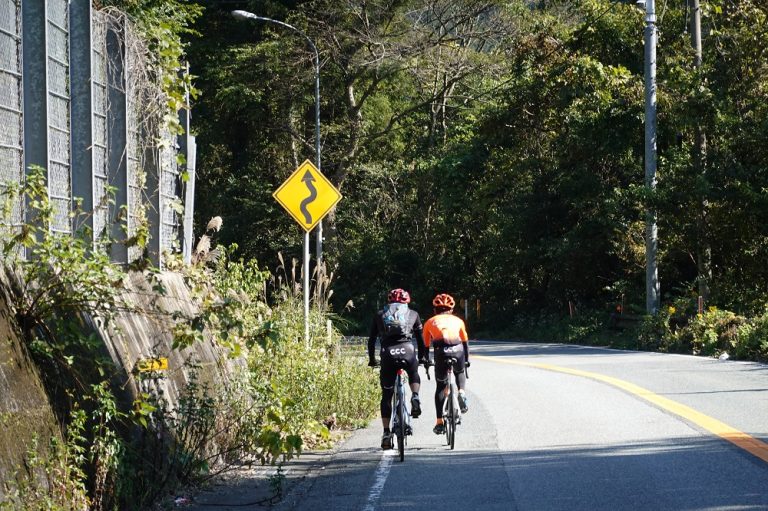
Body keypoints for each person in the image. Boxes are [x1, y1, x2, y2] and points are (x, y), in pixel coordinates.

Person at [368, 288, 427, 450]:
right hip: (407, 350)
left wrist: (372, 360)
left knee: (386, 396)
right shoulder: (413, 314)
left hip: (388, 354)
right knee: (413, 372)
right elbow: (421, 341)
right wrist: (422, 357)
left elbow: (372, 340)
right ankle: (415, 396)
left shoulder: (380, 314)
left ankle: (386, 433)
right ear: (406, 301)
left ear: (389, 301)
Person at [422, 293, 470, 435]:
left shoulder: (430, 322)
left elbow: (425, 346)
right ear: (451, 309)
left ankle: (439, 422)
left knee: (441, 386)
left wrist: (426, 361)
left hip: (441, 352)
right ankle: (461, 392)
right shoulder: (458, 321)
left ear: (435, 309)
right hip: (458, 350)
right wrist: (466, 360)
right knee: (459, 372)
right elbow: (465, 342)